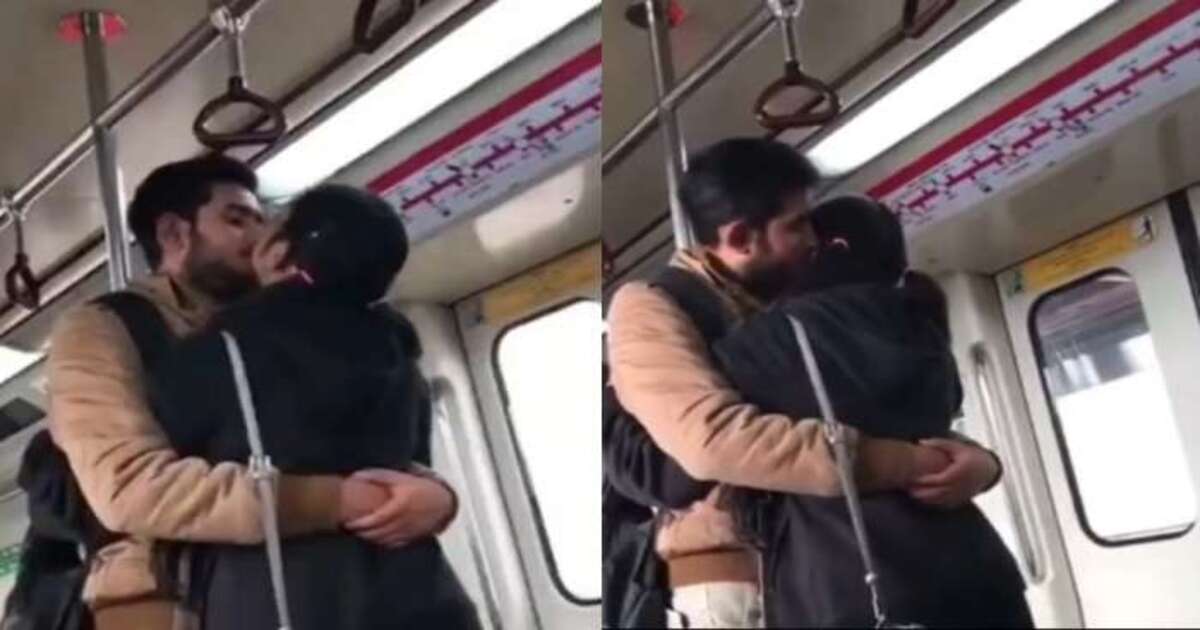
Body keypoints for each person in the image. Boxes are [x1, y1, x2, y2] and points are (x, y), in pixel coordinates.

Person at [46, 156, 458, 628]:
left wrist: (436, 495)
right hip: (164, 597)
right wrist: (339, 501)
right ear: (175, 234)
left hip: (331, 583)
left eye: (263, 221)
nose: (260, 236)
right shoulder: (104, 329)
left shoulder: (304, 327)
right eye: (237, 220)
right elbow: (133, 487)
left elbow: (364, 441)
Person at [605, 138, 1002, 628]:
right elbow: (712, 440)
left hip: (818, 561)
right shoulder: (653, 306)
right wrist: (911, 464)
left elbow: (860, 410)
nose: (813, 239)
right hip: (734, 580)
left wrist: (978, 463)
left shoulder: (790, 303)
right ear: (741, 237)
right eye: (795, 226)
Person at [149, 184, 479, 629]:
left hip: (284, 594)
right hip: (421, 591)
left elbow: (164, 468)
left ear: (280, 254)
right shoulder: (399, 351)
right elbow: (416, 464)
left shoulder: (219, 348)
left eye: (270, 224)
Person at [714, 195, 1031, 627]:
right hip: (978, 572)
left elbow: (680, 466)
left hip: (850, 586)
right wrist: (987, 465)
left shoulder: (773, 338)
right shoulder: (923, 320)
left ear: (826, 250)